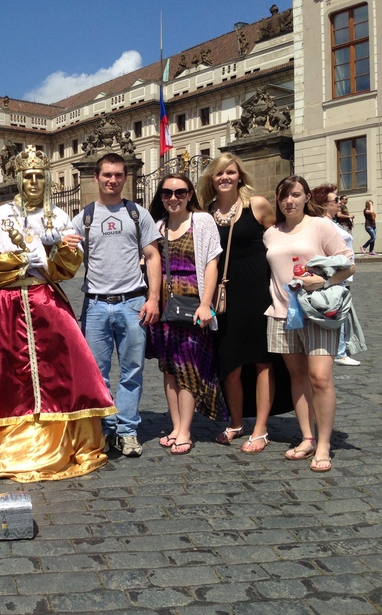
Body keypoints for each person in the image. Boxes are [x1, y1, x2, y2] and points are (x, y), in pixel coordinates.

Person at [0, 146, 116, 482]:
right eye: (27, 177)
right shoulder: (1, 214)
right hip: (10, 304)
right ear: (18, 180)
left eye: (39, 176)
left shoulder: (60, 217)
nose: (33, 182)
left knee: (61, 368)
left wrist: (62, 252)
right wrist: (22, 260)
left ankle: (63, 437)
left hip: (46, 300)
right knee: (12, 373)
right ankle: (14, 437)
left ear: (46, 179)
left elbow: (65, 270)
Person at [71, 153, 162, 457]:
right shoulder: (83, 217)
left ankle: (127, 430)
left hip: (133, 301)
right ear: (96, 178)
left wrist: (153, 298)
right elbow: (66, 258)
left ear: (125, 178)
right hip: (95, 304)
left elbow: (152, 256)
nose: (112, 180)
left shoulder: (137, 214)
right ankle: (105, 428)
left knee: (132, 371)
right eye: (107, 175)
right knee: (96, 373)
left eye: (118, 175)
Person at [264, 176, 354, 472]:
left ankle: (324, 444)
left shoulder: (320, 225)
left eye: (295, 195)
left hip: (316, 313)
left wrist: (325, 280)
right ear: (277, 201)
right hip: (282, 313)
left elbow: (348, 262)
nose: (289, 201)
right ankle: (307, 438)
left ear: (305, 198)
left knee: (320, 378)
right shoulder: (271, 233)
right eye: (284, 197)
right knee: (298, 376)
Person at [198, 153, 281, 453]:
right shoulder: (205, 213)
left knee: (261, 360)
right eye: (219, 174)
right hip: (223, 297)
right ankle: (236, 421)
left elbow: (278, 241)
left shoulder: (257, 205)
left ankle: (260, 428)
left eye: (230, 173)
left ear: (240, 176)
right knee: (229, 363)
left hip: (257, 292)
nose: (225, 178)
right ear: (211, 179)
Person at [147, 174, 226, 454]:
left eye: (180, 192)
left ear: (190, 194)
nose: (173, 198)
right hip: (167, 306)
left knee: (189, 365)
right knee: (169, 368)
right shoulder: (158, 226)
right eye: (167, 193)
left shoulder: (202, 221)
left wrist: (207, 304)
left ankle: (185, 430)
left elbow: (212, 264)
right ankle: (175, 425)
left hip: (193, 303)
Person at [312, 183, 360, 367]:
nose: (339, 202)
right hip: (336, 275)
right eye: (335, 200)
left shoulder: (331, 222)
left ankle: (339, 349)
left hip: (343, 275)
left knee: (342, 312)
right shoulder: (324, 223)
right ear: (324, 204)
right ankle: (338, 352)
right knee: (337, 312)